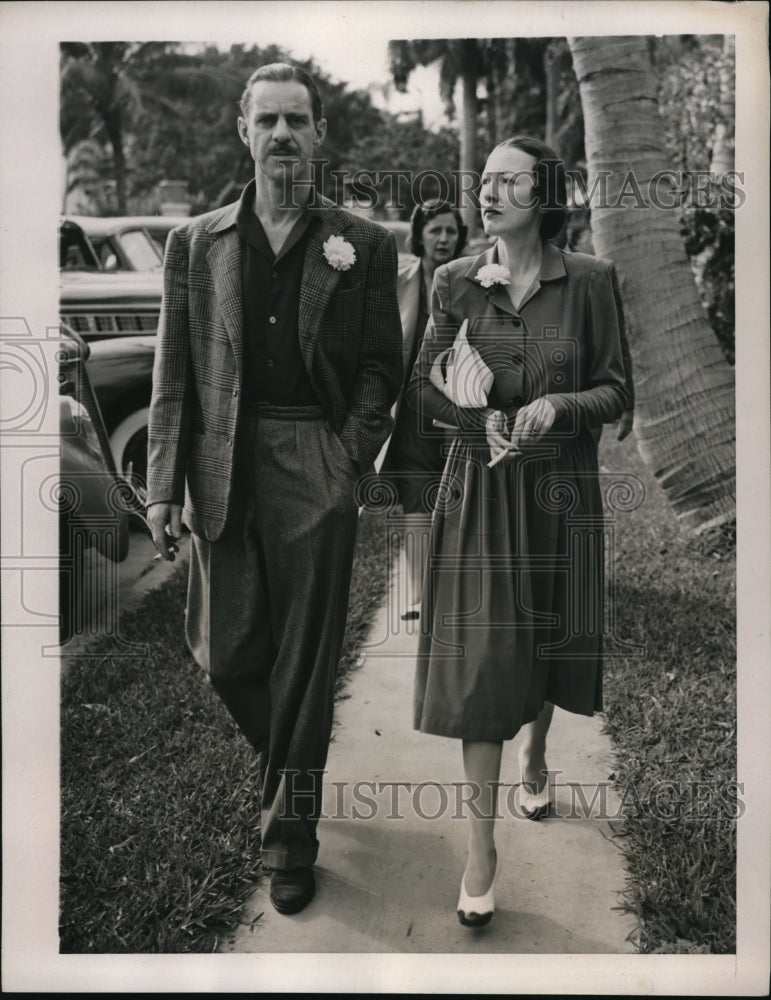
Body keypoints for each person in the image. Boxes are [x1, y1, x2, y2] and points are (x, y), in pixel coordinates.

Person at [146, 63, 402, 916]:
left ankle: (290, 835)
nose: (283, 134)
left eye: (298, 119)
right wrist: (161, 487)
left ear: (320, 131)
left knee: (304, 657)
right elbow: (173, 376)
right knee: (223, 653)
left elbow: (378, 369)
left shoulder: (362, 244)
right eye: (269, 120)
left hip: (312, 457)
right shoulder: (195, 243)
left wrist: (346, 462)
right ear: (243, 131)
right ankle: (293, 769)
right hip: (221, 459)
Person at [407, 135, 631, 926]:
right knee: (480, 663)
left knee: (537, 645)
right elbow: (423, 391)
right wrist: (473, 411)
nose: (487, 192)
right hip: (480, 489)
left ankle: (536, 755)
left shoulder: (591, 281)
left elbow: (614, 391)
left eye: (507, 181)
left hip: (558, 494)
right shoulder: (454, 280)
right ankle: (480, 847)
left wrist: (559, 408)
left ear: (542, 197)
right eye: (484, 180)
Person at [379, 200, 468, 619]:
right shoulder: (398, 281)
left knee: (458, 496)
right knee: (416, 499)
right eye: (435, 231)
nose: (444, 239)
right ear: (419, 236)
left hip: (459, 407)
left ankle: (458, 591)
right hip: (411, 409)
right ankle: (422, 595)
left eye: (451, 231)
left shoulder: (471, 282)